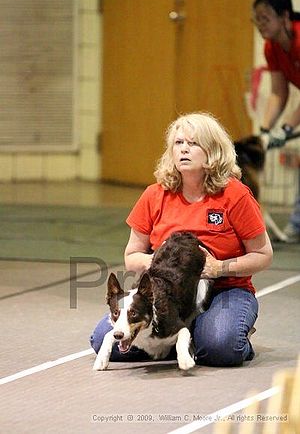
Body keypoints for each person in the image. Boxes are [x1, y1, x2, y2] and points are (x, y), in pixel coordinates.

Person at [90, 112, 273, 367]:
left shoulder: (236, 195)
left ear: (213, 151)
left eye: (193, 143)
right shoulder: (154, 195)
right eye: (178, 143)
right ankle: (179, 338)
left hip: (225, 289)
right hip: (168, 294)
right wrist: (164, 262)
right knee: (101, 340)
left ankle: (213, 335)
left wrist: (219, 268)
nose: (184, 150)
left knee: (221, 347)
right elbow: (131, 257)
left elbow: (263, 255)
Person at [252, 0, 300, 242]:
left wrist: (287, 129)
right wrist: (265, 130)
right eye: (257, 19)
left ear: (284, 16)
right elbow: (278, 93)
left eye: (265, 18)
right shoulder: (272, 48)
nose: (260, 24)